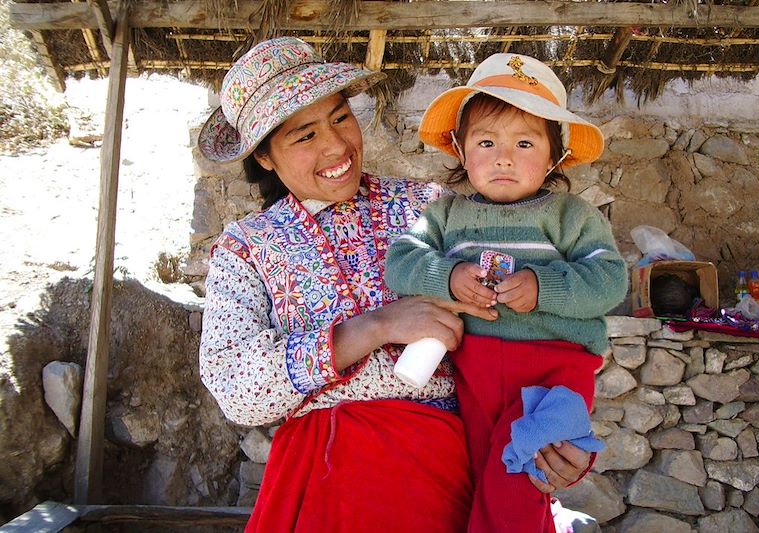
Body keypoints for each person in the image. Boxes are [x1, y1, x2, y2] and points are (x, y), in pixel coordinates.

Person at [198, 37, 597, 533]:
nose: (336, 146)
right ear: (264, 156)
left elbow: (530, 328)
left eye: (341, 117)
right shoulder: (246, 248)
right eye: (304, 136)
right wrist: (377, 326)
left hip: (443, 473)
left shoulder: (432, 210)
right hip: (319, 481)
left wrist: (554, 433)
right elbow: (237, 388)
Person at [385, 53, 628, 533]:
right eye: (486, 141)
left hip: (556, 367)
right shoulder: (445, 216)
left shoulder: (571, 217)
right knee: (485, 474)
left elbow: (609, 282)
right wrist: (449, 277)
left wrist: (543, 286)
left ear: (555, 155)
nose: (504, 157)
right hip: (475, 367)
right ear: (459, 148)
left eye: (524, 142)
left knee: (515, 475)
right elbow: (402, 263)